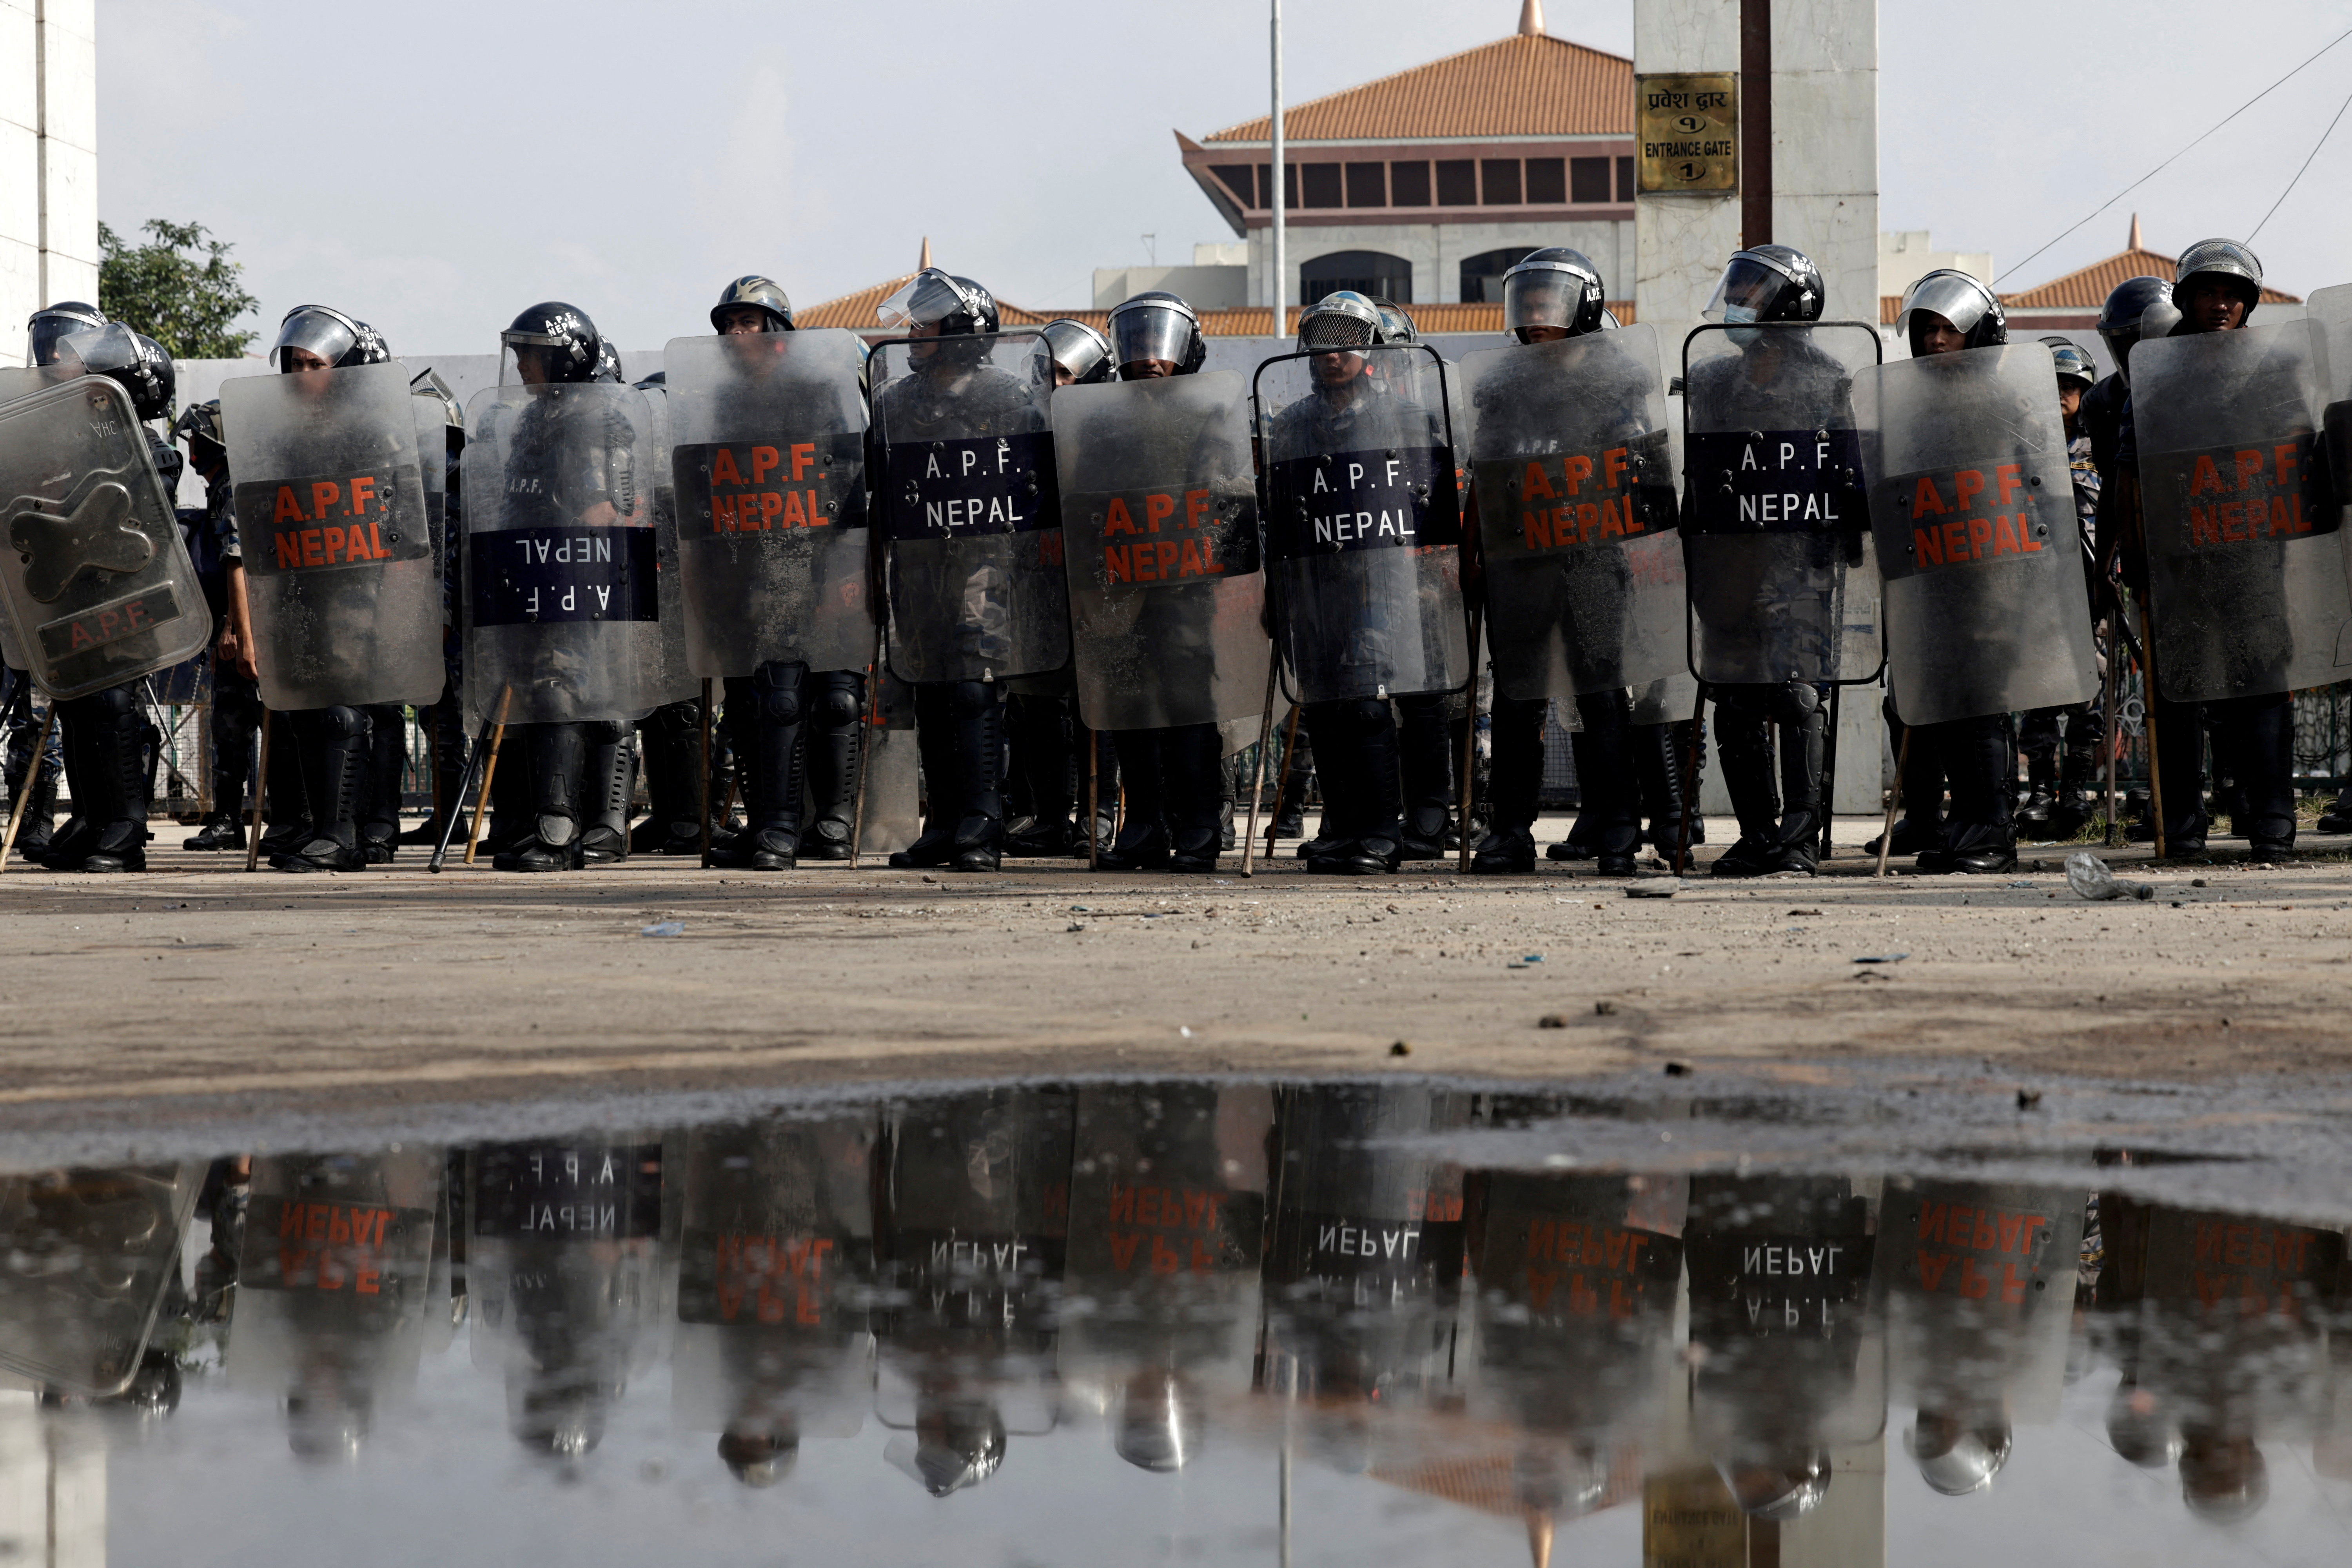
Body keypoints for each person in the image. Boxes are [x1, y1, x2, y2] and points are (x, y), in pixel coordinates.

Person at [1462, 248, 1651, 876]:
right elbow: (1484, 475)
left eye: (1550, 302)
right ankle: (1510, 830)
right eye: (1530, 302)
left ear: (1584, 305)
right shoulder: (1501, 386)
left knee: (1601, 695)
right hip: (1520, 562)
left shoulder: (1618, 384)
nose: (1538, 315)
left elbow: (1642, 477)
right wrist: (1472, 550)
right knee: (1518, 698)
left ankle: (1619, 826)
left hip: (1593, 557)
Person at [1259, 291, 1457, 875]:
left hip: (1382, 583)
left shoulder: (1405, 419)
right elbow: (1279, 514)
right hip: (1315, 585)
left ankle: (1379, 832)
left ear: (1369, 349)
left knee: (1369, 704)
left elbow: (1431, 512)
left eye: (1345, 342)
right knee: (1324, 705)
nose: (1332, 355)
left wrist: (1433, 581)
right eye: (1321, 343)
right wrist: (1277, 590)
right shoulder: (1292, 425)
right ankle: (1342, 827)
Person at [2111, 241, 2296, 860]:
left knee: (2263, 691)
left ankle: (2271, 823)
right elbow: (2128, 477)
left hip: (2254, 561)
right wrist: (2132, 562)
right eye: (2209, 293)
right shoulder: (2157, 374)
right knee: (2179, 698)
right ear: (2186, 301)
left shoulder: (2272, 368)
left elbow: (2299, 458)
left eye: (2232, 294)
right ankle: (2182, 827)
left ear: (2249, 304)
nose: (2221, 305)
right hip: (2177, 567)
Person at [1682, 246, 1854, 876]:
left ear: (1788, 305)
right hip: (1729, 565)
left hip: (1799, 565)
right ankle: (1756, 834)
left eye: (1750, 293)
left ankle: (1800, 839)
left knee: (1797, 695)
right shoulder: (1712, 380)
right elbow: (1700, 474)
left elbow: (1845, 476)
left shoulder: (1829, 380)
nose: (1735, 304)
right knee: (1734, 698)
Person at [871, 269, 1046, 875]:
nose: (915, 333)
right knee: (930, 688)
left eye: (927, 322)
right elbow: (876, 488)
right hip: (918, 569)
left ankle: (982, 825)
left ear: (963, 330)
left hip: (986, 566)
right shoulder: (895, 402)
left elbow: (1036, 487)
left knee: (975, 689)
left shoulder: (1009, 400)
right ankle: (943, 822)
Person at [480, 302, 648, 872]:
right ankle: (533, 825)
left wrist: (568, 560)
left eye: (533, 352)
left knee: (560, 686)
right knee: (531, 690)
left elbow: (609, 508)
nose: (522, 364)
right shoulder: (534, 418)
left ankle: (560, 835)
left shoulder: (593, 419)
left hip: (570, 582)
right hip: (528, 577)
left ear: (565, 358)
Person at [1882, 269, 2024, 875]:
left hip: (1991, 572)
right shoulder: (1910, 407)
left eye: (1951, 330)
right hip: (1931, 576)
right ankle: (1963, 822)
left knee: (1981, 702)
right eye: (1928, 329)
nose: (1938, 341)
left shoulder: (2005, 402)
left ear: (1980, 335)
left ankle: (1993, 831)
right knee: (1939, 701)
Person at [32, 324, 182, 873]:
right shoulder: (70, 445)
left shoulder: (149, 449)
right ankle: (95, 818)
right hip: (74, 596)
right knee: (76, 703)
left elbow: (131, 522)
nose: (63, 369)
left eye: (78, 363)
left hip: (127, 597)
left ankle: (126, 828)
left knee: (113, 701)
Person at [1088, 291, 1230, 873]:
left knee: (1189, 706)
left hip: (1186, 590)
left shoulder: (1209, 413)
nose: (1149, 356)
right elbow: (1085, 500)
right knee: (1130, 707)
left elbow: (1225, 500)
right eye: (1138, 343)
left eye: (1160, 344)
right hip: (1120, 588)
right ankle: (1144, 826)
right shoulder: (1101, 420)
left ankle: (1199, 827)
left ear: (1187, 350)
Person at [2015, 338, 2102, 840]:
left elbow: (2102, 502)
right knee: (2038, 691)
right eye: (2053, 388)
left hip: (2091, 584)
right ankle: (2041, 790)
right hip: (2034, 583)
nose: (2062, 396)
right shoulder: (2022, 447)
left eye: (2071, 387)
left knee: (2088, 693)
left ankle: (2076, 791)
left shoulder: (2097, 447)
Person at [170, 399, 266, 851]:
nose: (194, 450)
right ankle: (232, 819)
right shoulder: (223, 484)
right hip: (239, 624)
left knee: (244, 724)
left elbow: (238, 558)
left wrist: (234, 626)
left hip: (246, 627)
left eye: (199, 440)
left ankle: (275, 820)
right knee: (230, 729)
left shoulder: (232, 484)